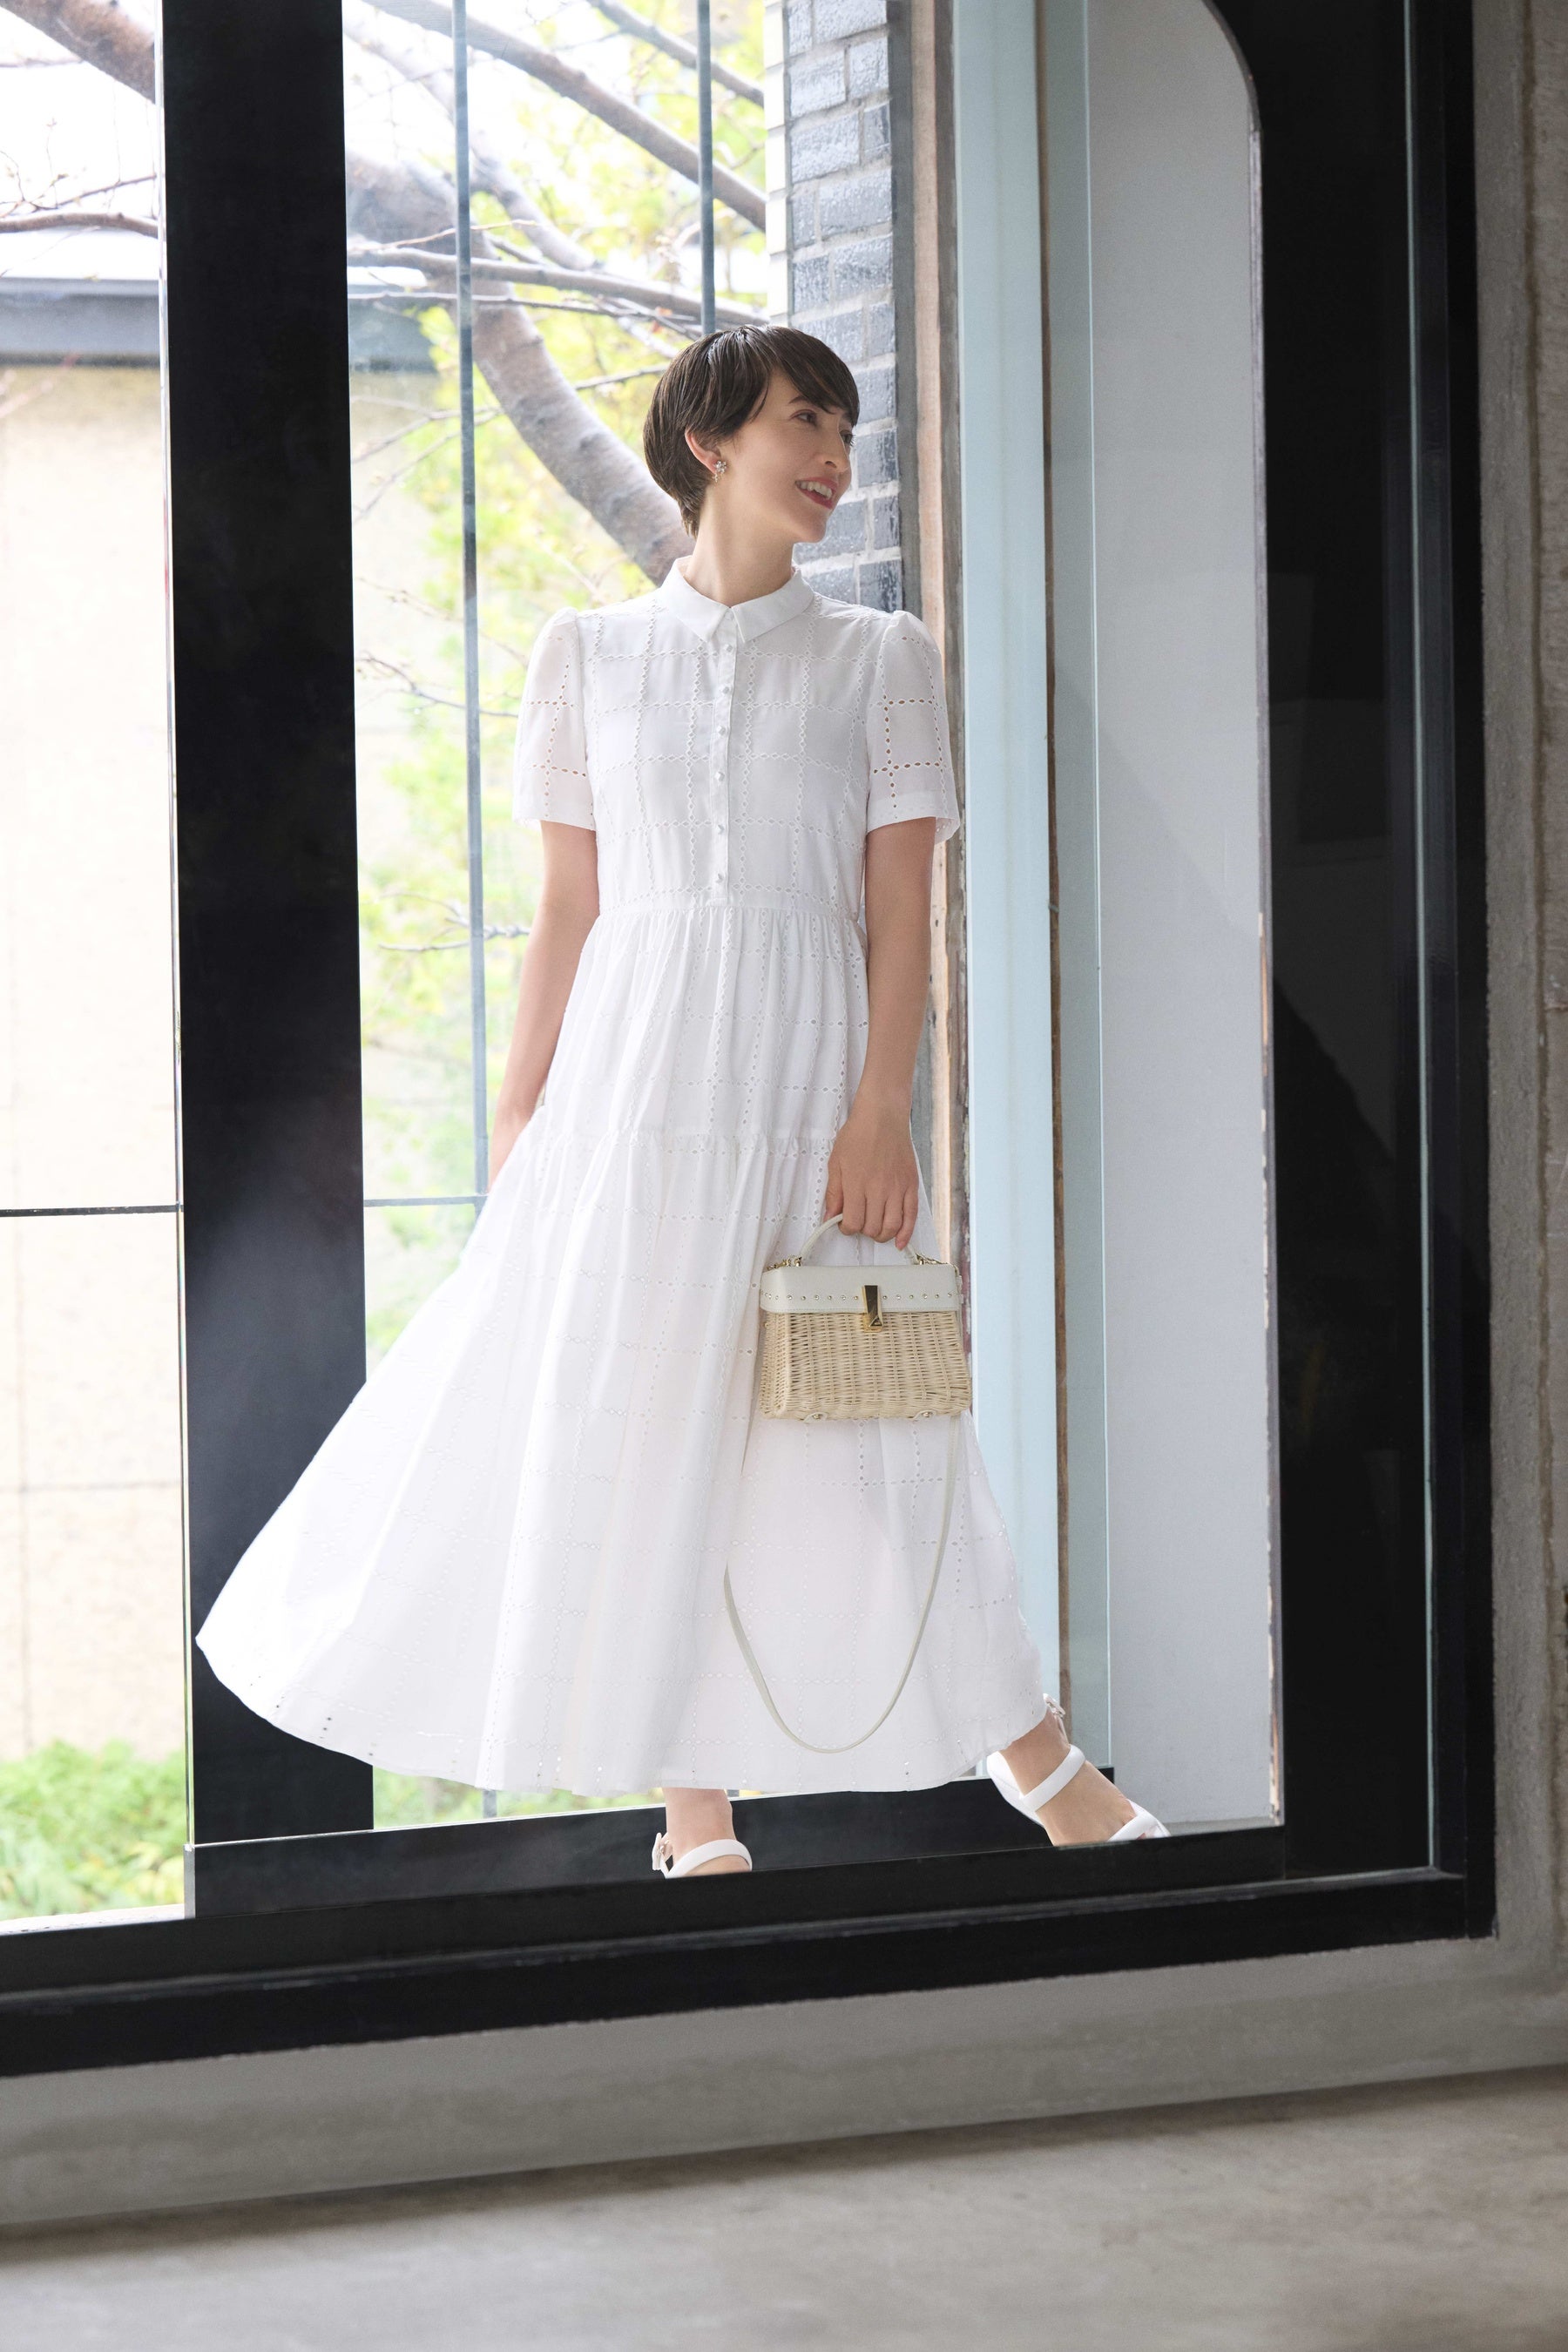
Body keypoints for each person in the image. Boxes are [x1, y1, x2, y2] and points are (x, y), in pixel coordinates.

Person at [195, 323, 1166, 1874]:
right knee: (650, 1438)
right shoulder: (583, 656)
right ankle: (696, 1825)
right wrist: (521, 1121)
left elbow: (901, 912)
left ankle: (1044, 1771)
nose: (835, 456)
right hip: (632, 1101)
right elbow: (567, 912)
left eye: (845, 427)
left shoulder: (880, 658)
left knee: (881, 1435)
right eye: (805, 422)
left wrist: (884, 1110)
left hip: (810, 1097)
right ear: (711, 440)